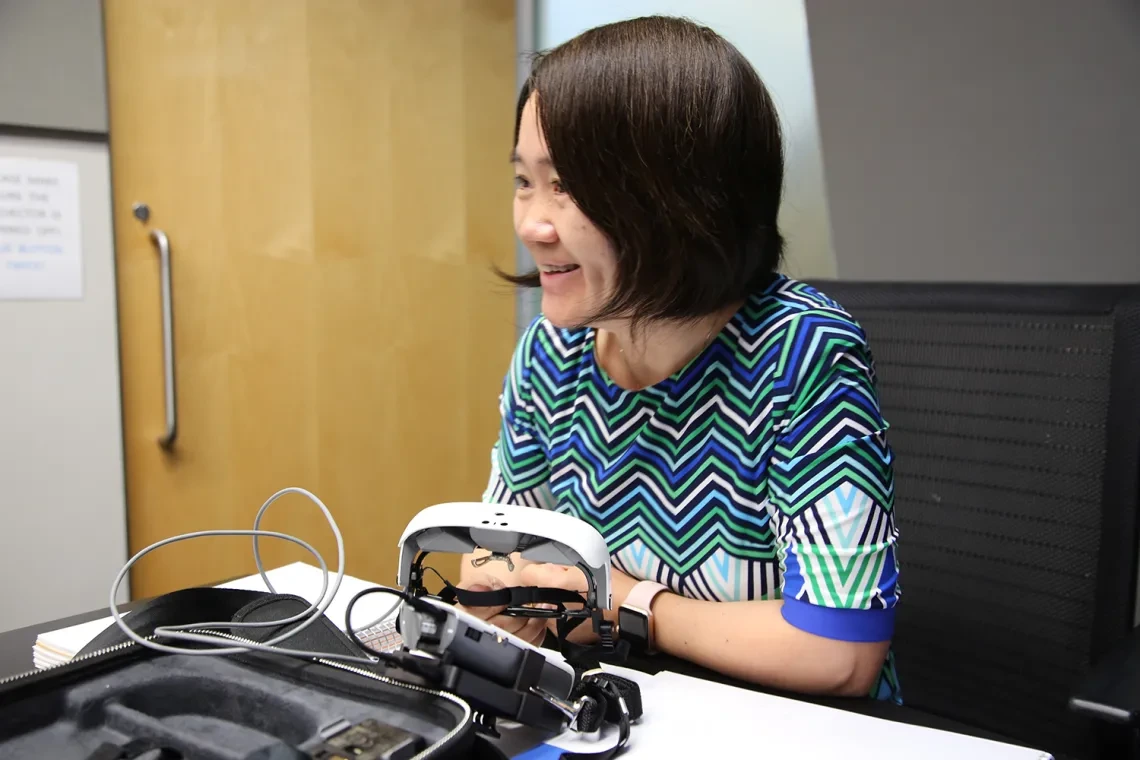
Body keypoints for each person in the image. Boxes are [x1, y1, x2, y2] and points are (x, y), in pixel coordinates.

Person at [458, 15, 902, 702]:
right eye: (524, 181)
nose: (531, 224)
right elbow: (512, 558)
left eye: (566, 186)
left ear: (676, 198)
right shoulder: (550, 354)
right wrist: (493, 606)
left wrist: (624, 605)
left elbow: (838, 650)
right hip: (613, 711)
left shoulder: (800, 352)